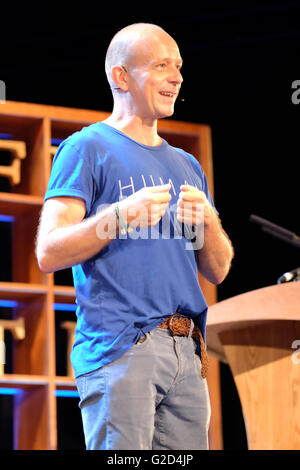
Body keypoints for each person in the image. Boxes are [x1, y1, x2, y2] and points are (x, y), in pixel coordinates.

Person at [36, 23, 233, 450]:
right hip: (122, 348)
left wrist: (210, 225)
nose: (177, 77)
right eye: (161, 65)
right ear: (121, 77)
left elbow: (218, 269)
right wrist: (119, 217)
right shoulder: (86, 147)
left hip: (187, 352)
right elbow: (48, 251)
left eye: (178, 66)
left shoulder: (187, 164)